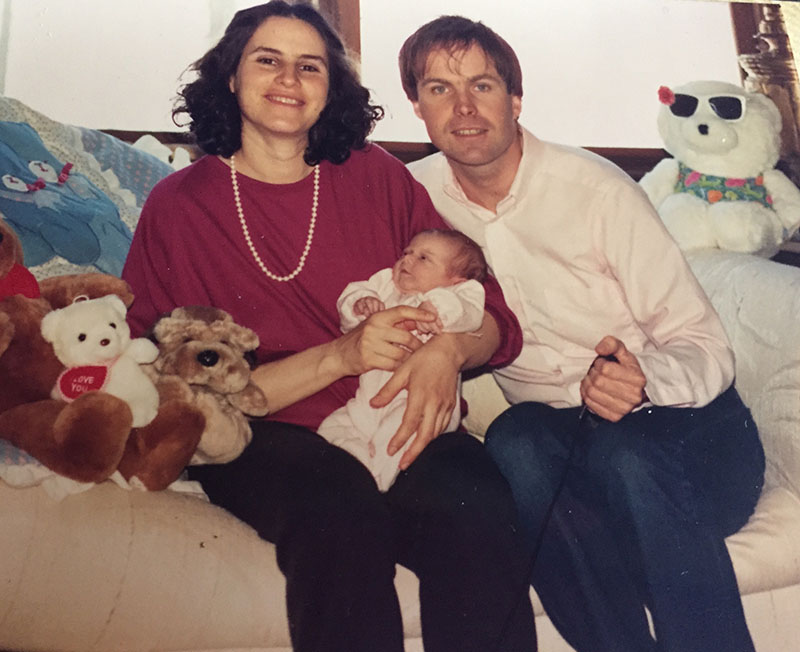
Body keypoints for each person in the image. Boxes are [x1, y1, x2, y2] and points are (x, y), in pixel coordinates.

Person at [121, 3, 536, 652]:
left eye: (309, 65)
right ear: (231, 76)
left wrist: (449, 350)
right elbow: (159, 378)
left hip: (394, 414)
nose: (289, 78)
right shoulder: (179, 207)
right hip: (266, 430)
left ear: (329, 86)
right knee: (340, 516)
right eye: (268, 60)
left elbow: (497, 318)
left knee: (478, 508)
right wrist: (341, 355)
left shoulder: (377, 179)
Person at [400, 15, 765, 652]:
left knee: (625, 453)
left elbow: (705, 344)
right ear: (418, 109)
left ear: (515, 100)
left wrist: (645, 377)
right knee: (513, 437)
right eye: (438, 89)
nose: (463, 107)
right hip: (564, 450)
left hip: (691, 437)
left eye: (482, 86)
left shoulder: (595, 188)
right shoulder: (413, 199)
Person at [318, 228, 487, 491]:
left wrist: (437, 308)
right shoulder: (385, 284)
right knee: (334, 428)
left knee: (399, 437)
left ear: (455, 280)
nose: (407, 260)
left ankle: (379, 487)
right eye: (406, 253)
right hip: (369, 402)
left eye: (423, 258)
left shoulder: (458, 295)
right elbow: (351, 299)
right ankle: (357, 478)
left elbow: (470, 312)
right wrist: (361, 303)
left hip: (421, 402)